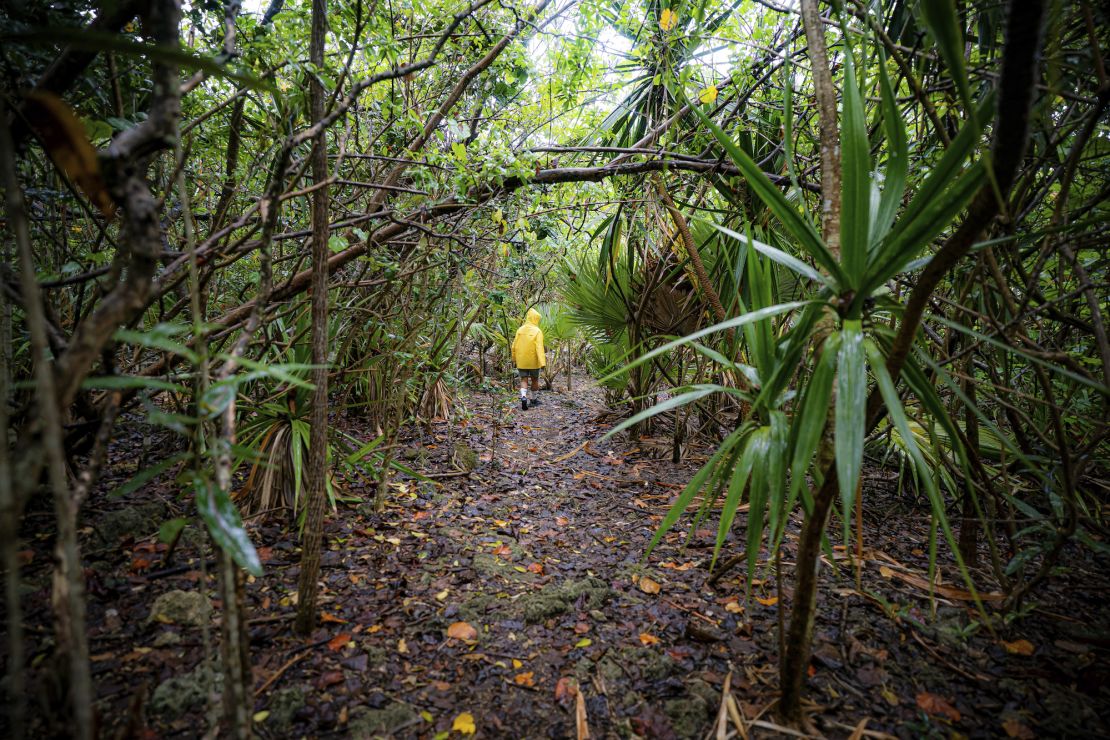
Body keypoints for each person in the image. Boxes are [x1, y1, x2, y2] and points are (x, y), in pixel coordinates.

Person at [511, 308, 545, 410]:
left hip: (522, 360)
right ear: (536, 319)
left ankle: (524, 397)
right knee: (535, 380)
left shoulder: (520, 330)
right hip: (534, 361)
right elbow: (539, 347)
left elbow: (514, 346)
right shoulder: (537, 331)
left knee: (523, 379)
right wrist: (542, 362)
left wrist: (514, 358)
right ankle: (534, 400)